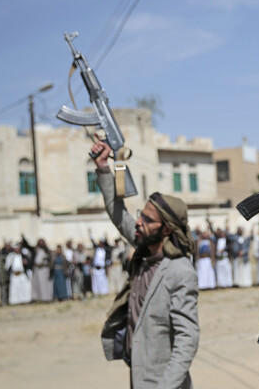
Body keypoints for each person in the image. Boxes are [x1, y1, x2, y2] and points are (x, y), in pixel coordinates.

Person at [92, 141, 199, 389]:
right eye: (141, 215)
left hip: (163, 382)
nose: (138, 222)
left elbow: (187, 339)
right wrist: (103, 168)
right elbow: (119, 215)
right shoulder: (145, 248)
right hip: (139, 376)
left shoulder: (179, 271)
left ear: (166, 230)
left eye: (147, 220)